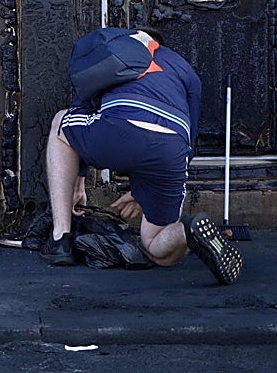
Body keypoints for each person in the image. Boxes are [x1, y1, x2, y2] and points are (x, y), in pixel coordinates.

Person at [41, 27, 243, 285]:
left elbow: (81, 104)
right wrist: (143, 191)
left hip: (120, 129)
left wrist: (79, 180)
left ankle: (61, 239)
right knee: (156, 247)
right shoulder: (184, 69)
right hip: (172, 148)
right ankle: (188, 231)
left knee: (61, 122)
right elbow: (188, 138)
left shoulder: (114, 52)